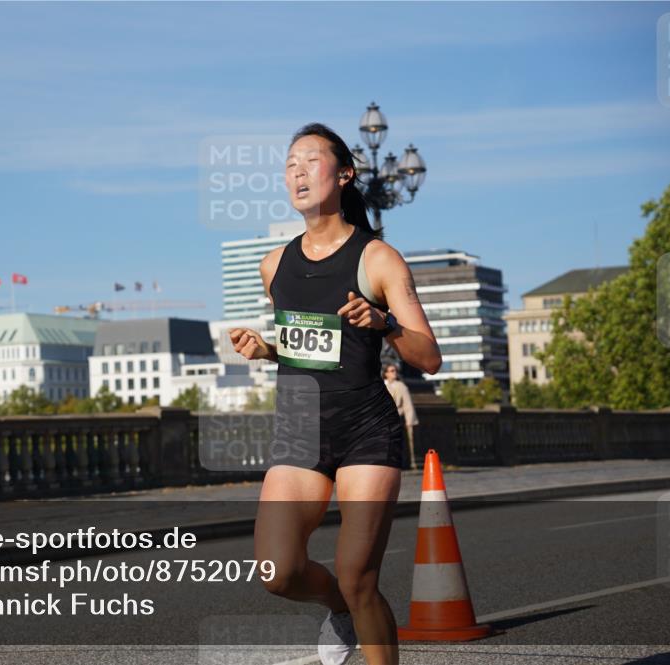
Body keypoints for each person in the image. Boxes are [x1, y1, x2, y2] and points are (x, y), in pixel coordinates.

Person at [228, 123, 441, 665]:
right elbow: (316, 349)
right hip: (300, 430)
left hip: (366, 429)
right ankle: (338, 611)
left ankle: (354, 606)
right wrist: (269, 351)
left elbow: (429, 357)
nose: (296, 171)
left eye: (310, 160)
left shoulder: (378, 259)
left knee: (359, 576)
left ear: (345, 173)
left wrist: (383, 322)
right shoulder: (273, 265)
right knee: (277, 572)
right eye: (289, 163)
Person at [383, 364, 419, 471]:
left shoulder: (401, 386)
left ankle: (402, 463)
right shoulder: (381, 385)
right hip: (383, 419)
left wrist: (410, 420)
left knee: (400, 443)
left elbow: (408, 405)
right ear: (386, 374)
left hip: (398, 417)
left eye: (395, 370)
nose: (394, 373)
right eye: (391, 371)